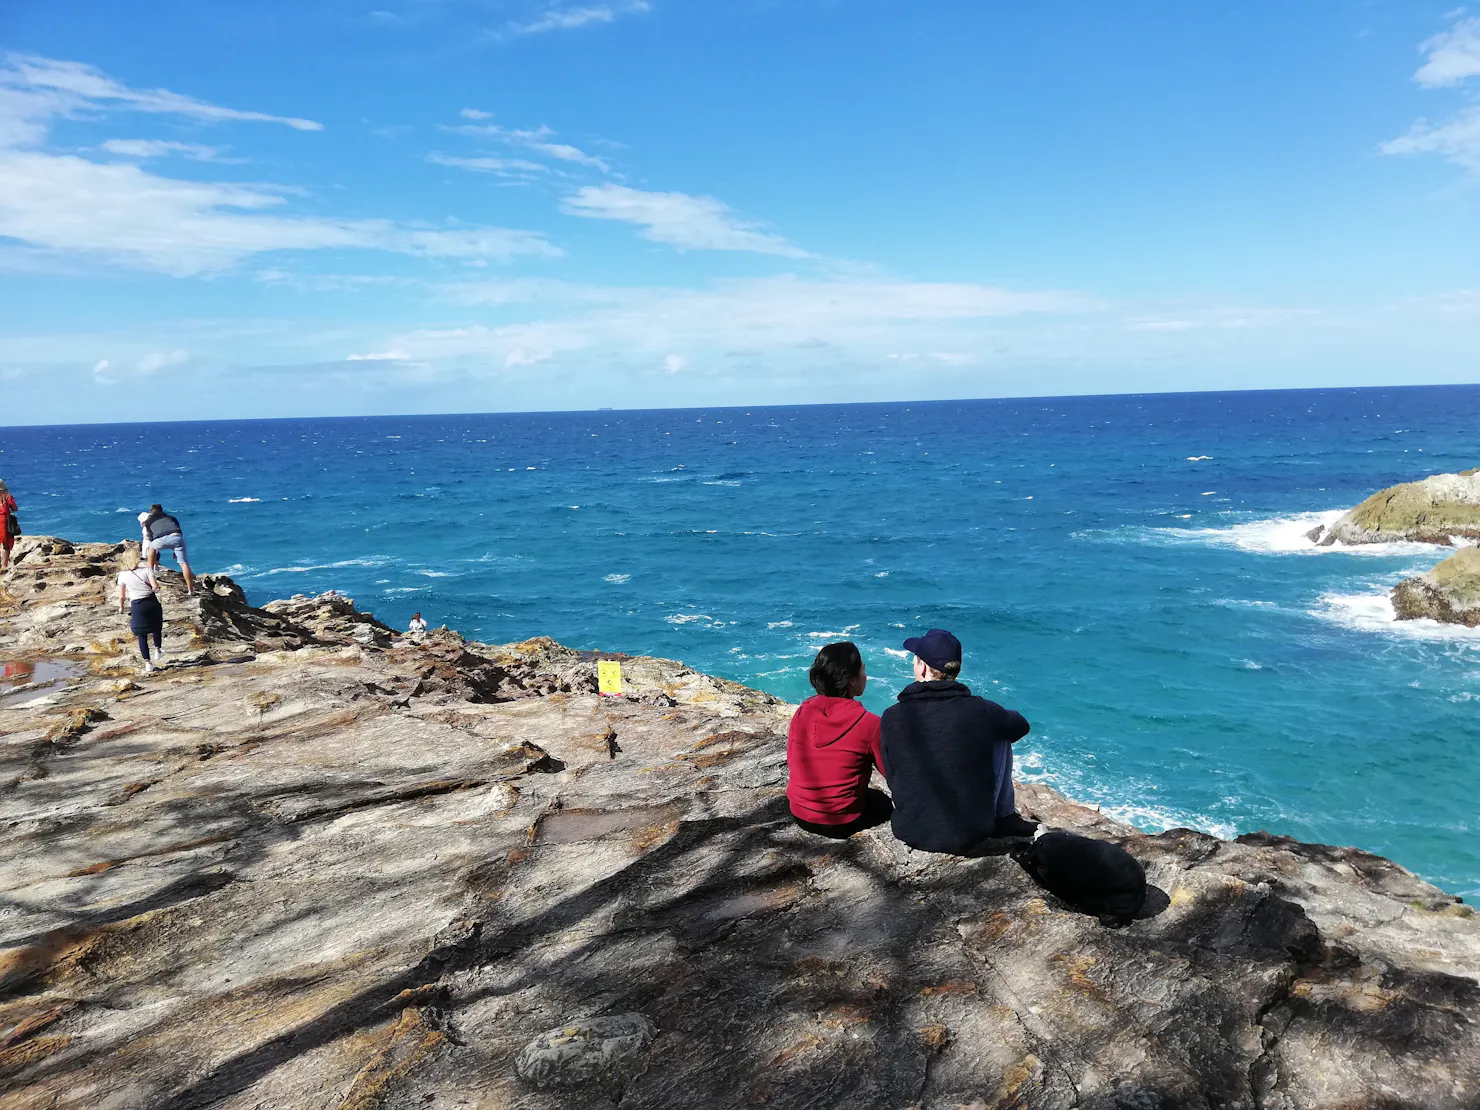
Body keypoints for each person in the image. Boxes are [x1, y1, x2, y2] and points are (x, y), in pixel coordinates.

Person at [880, 628, 1037, 854]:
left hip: (911, 829)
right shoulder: (980, 709)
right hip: (973, 831)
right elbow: (1021, 726)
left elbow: (892, 776)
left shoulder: (892, 715)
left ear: (922, 667)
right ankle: (1005, 817)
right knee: (1002, 732)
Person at [786, 641, 892, 838]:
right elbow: (892, 773)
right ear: (851, 680)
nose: (865, 675)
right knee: (882, 802)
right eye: (862, 669)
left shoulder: (803, 711)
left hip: (799, 812)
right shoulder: (870, 723)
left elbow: (793, 759)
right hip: (841, 821)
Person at [116, 547, 166, 673]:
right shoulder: (146, 570)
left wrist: (121, 607)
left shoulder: (121, 575)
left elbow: (122, 595)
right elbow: (155, 586)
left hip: (137, 605)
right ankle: (158, 650)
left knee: (141, 634)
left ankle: (148, 663)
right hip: (150, 601)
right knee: (156, 626)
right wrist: (154, 588)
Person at [138, 504, 195, 595]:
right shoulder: (171, 517)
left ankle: (150, 570)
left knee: (151, 547)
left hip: (161, 539)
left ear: (151, 511)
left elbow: (150, 538)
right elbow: (178, 531)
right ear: (162, 510)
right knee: (184, 564)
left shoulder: (148, 521)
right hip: (177, 538)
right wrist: (174, 551)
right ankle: (190, 590)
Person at [0, 479, 17, 571]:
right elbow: (15, 508)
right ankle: (4, 565)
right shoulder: (7, 496)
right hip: (4, 521)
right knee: (6, 544)